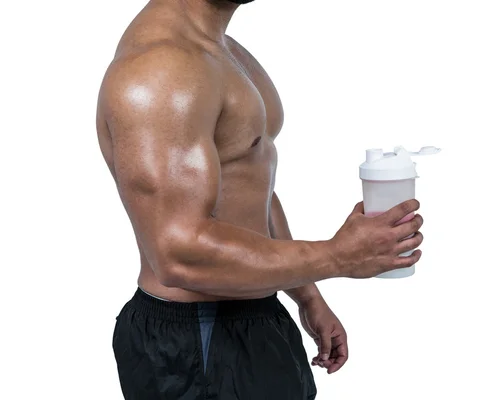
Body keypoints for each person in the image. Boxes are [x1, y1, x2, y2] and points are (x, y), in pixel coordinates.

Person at [96, 0, 424, 399]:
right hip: (194, 339)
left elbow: (253, 185)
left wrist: (307, 293)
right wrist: (337, 256)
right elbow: (178, 252)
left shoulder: (223, 50)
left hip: (255, 314)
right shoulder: (160, 68)